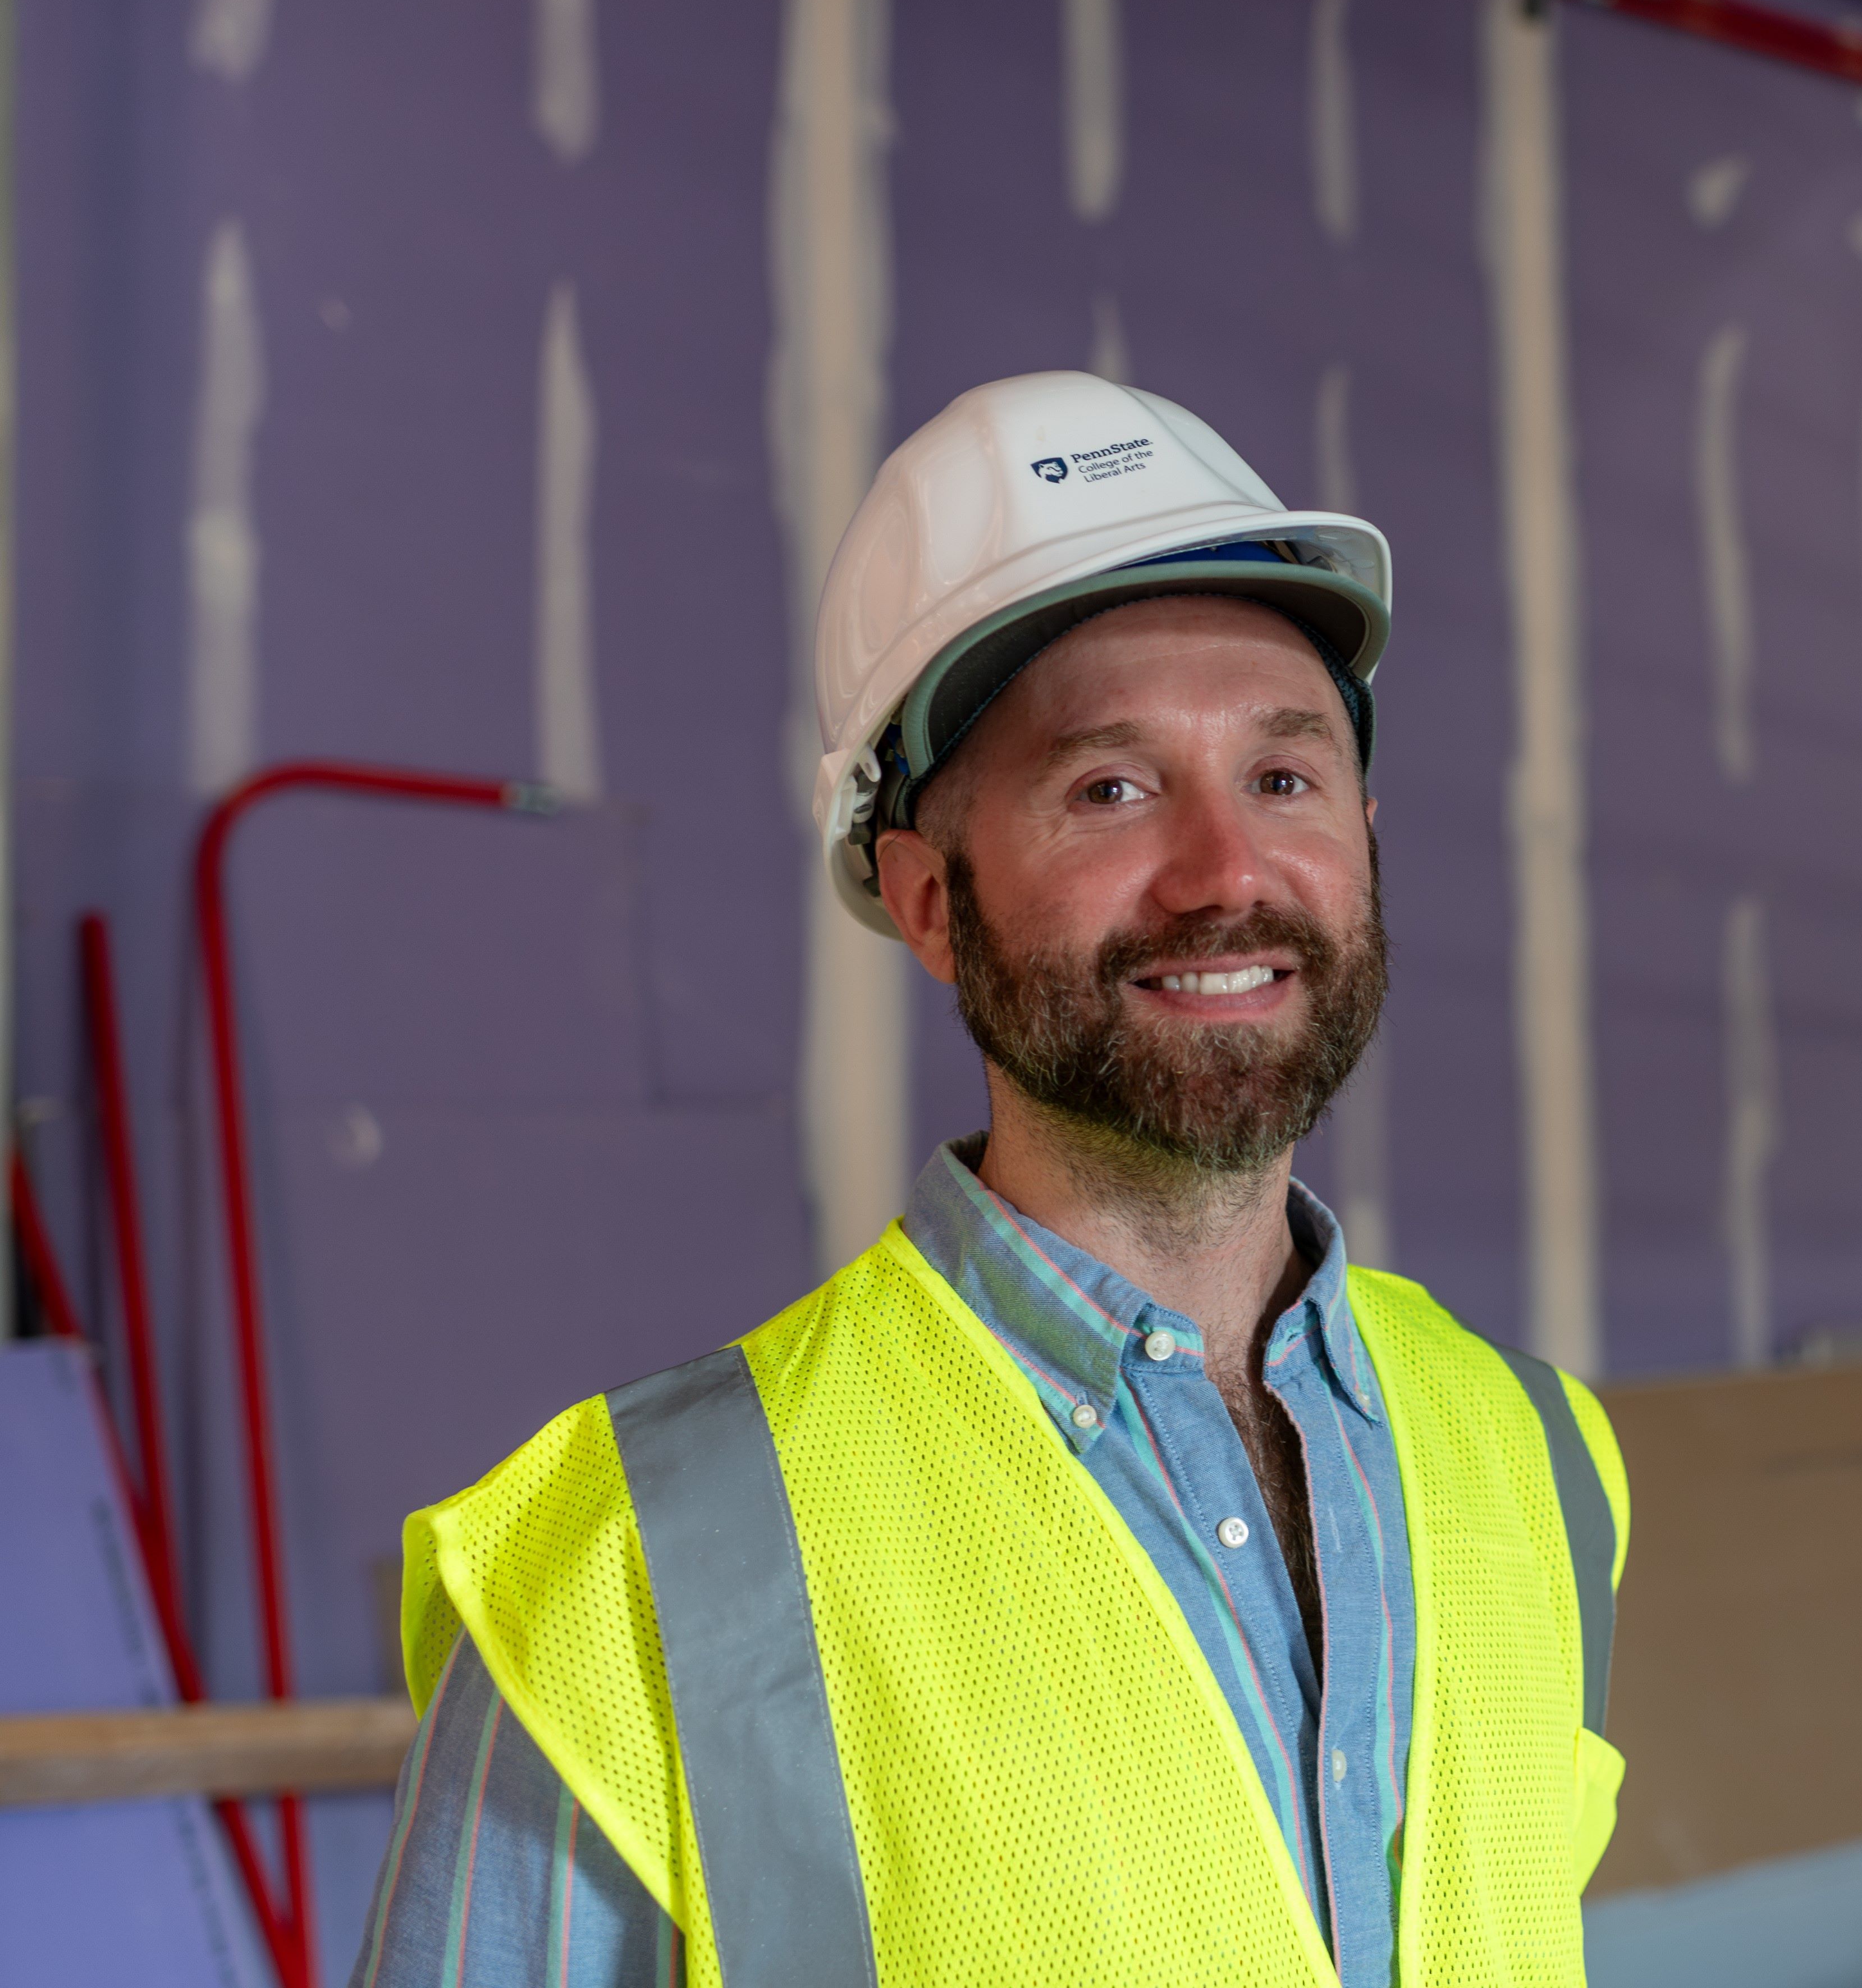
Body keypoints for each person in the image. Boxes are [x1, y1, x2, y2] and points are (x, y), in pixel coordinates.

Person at [350, 372, 1628, 1988]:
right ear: (929, 900)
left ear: (1363, 839)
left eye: (1284, 779)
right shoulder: (638, 1558)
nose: (1226, 872)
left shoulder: (1542, 1458)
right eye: (1111, 789)